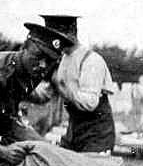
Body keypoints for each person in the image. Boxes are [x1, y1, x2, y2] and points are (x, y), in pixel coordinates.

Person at [41, 14, 117, 154]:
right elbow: (46, 94)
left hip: (97, 134)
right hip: (74, 130)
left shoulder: (91, 60)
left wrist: (61, 87)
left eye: (55, 35)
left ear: (71, 30)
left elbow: (89, 103)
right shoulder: (62, 60)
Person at [0, 23, 72, 161]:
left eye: (50, 61)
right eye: (39, 56)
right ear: (24, 48)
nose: (43, 65)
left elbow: (35, 97)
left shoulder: (30, 69)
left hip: (6, 125)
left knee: (46, 151)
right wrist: (3, 152)